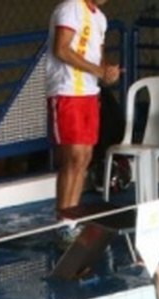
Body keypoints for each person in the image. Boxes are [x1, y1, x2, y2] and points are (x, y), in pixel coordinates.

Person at [45, 0, 121, 214]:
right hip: (67, 91)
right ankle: (63, 221)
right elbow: (61, 48)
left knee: (85, 157)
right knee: (73, 156)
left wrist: (108, 71)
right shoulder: (71, 8)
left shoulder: (100, 18)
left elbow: (98, 57)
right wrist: (98, 70)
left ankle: (72, 217)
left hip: (89, 93)